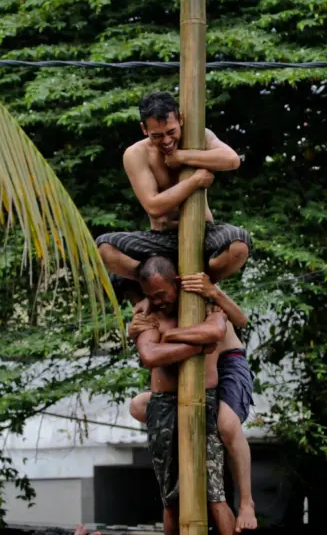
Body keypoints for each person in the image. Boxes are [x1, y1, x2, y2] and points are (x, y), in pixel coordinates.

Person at [130, 256, 257, 533]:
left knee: (227, 427)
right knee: (139, 406)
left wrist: (172, 336)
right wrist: (194, 345)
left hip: (220, 376)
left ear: (177, 282)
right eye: (151, 296)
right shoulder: (149, 313)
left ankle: (247, 502)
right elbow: (150, 355)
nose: (157, 300)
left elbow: (222, 328)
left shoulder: (204, 298)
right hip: (168, 402)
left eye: (161, 294)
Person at [95, 91, 253, 302]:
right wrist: (194, 181)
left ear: (181, 119)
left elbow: (232, 160)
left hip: (203, 233)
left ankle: (200, 281)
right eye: (157, 135)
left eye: (171, 132)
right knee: (104, 247)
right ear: (144, 129)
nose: (167, 140)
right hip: (160, 238)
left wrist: (182, 156)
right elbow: (153, 206)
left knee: (239, 244)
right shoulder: (136, 154)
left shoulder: (199, 137)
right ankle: (153, 283)